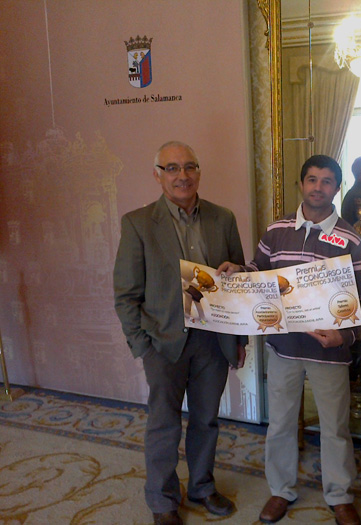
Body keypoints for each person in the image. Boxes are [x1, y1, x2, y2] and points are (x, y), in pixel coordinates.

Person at [218, 155, 361, 525]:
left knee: (335, 426)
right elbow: (258, 274)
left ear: (337, 187)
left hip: (328, 351)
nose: (318, 187)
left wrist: (343, 335)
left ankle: (339, 494)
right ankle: (281, 489)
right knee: (280, 422)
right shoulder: (276, 230)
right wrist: (240, 271)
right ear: (301, 184)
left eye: (327, 181)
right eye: (312, 179)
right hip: (284, 347)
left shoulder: (350, 238)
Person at [113, 141, 247, 525]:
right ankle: (163, 500)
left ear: (199, 172)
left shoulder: (223, 218)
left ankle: (203, 487)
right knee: (164, 423)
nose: (182, 175)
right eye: (172, 168)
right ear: (157, 175)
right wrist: (142, 346)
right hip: (163, 341)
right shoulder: (137, 223)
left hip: (212, 340)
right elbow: (126, 293)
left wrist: (237, 338)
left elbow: (238, 280)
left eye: (189, 167)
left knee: (206, 420)